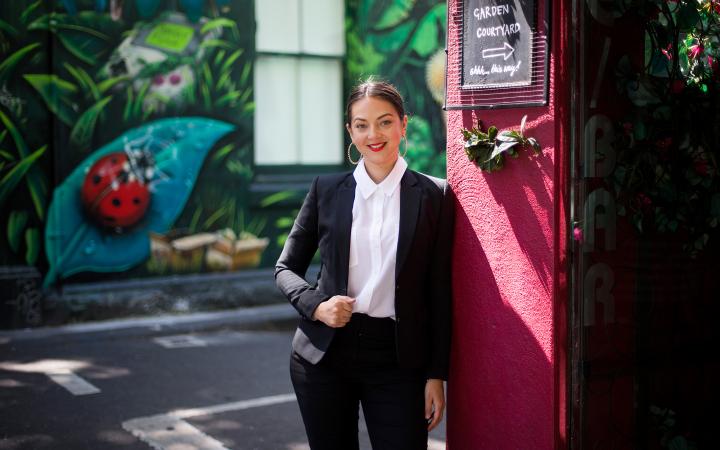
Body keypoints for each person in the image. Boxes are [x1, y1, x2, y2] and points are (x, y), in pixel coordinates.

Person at [275, 79, 454, 450]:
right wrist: (318, 306)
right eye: (361, 125)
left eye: (385, 122)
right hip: (323, 355)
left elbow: (439, 290)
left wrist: (436, 375)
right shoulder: (325, 190)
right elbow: (285, 268)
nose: (374, 134)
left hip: (397, 360)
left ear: (404, 125)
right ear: (350, 131)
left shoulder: (435, 196)